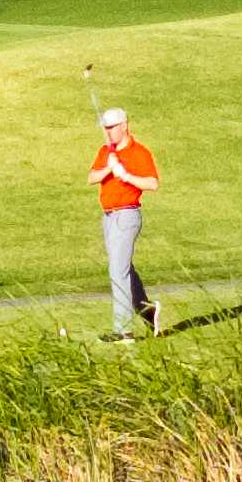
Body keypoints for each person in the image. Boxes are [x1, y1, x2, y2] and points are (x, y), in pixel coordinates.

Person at [91, 104, 158, 333]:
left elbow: (153, 183)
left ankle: (124, 330)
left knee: (117, 272)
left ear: (124, 126)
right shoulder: (106, 151)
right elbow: (91, 177)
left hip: (127, 214)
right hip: (109, 217)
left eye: (111, 127)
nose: (108, 131)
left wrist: (126, 175)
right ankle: (146, 310)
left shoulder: (139, 152)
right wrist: (109, 169)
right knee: (123, 267)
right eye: (105, 128)